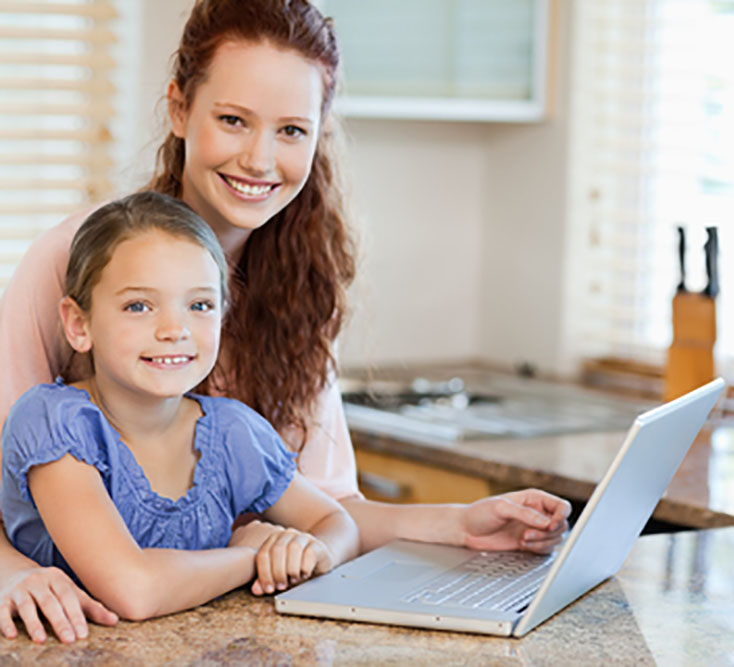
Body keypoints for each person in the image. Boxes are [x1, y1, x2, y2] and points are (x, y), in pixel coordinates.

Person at [0, 0, 571, 644]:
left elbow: (329, 508)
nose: (259, 159)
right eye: (234, 120)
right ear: (180, 108)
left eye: (292, 130)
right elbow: (20, 463)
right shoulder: (75, 260)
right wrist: (8, 570)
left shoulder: (299, 288)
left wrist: (461, 525)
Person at [2, 191, 361, 622]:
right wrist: (248, 556)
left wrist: (311, 552)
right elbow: (133, 590)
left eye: (199, 305)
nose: (174, 329)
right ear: (79, 325)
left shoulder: (232, 432)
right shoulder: (55, 425)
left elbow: (337, 523)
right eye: (138, 305)